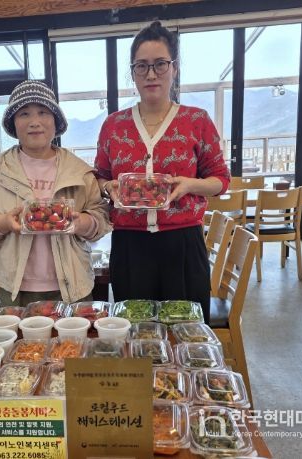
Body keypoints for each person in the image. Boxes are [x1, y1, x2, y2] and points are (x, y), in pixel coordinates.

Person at [94, 22, 230, 322]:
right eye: (142, 66)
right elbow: (100, 175)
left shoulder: (196, 120)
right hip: (130, 246)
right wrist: (108, 187)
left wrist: (190, 185)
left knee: (186, 331)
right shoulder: (114, 125)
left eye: (160, 64)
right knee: (136, 330)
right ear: (133, 72)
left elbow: (221, 180)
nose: (151, 74)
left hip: (182, 243)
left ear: (174, 68)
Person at [0, 80, 110, 307]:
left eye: (43, 112)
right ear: (13, 123)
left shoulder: (78, 170)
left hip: (74, 285)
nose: (34, 122)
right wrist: (3, 222)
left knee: (75, 332)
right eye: (24, 114)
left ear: (56, 121)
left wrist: (80, 223)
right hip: (14, 288)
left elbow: (101, 217)